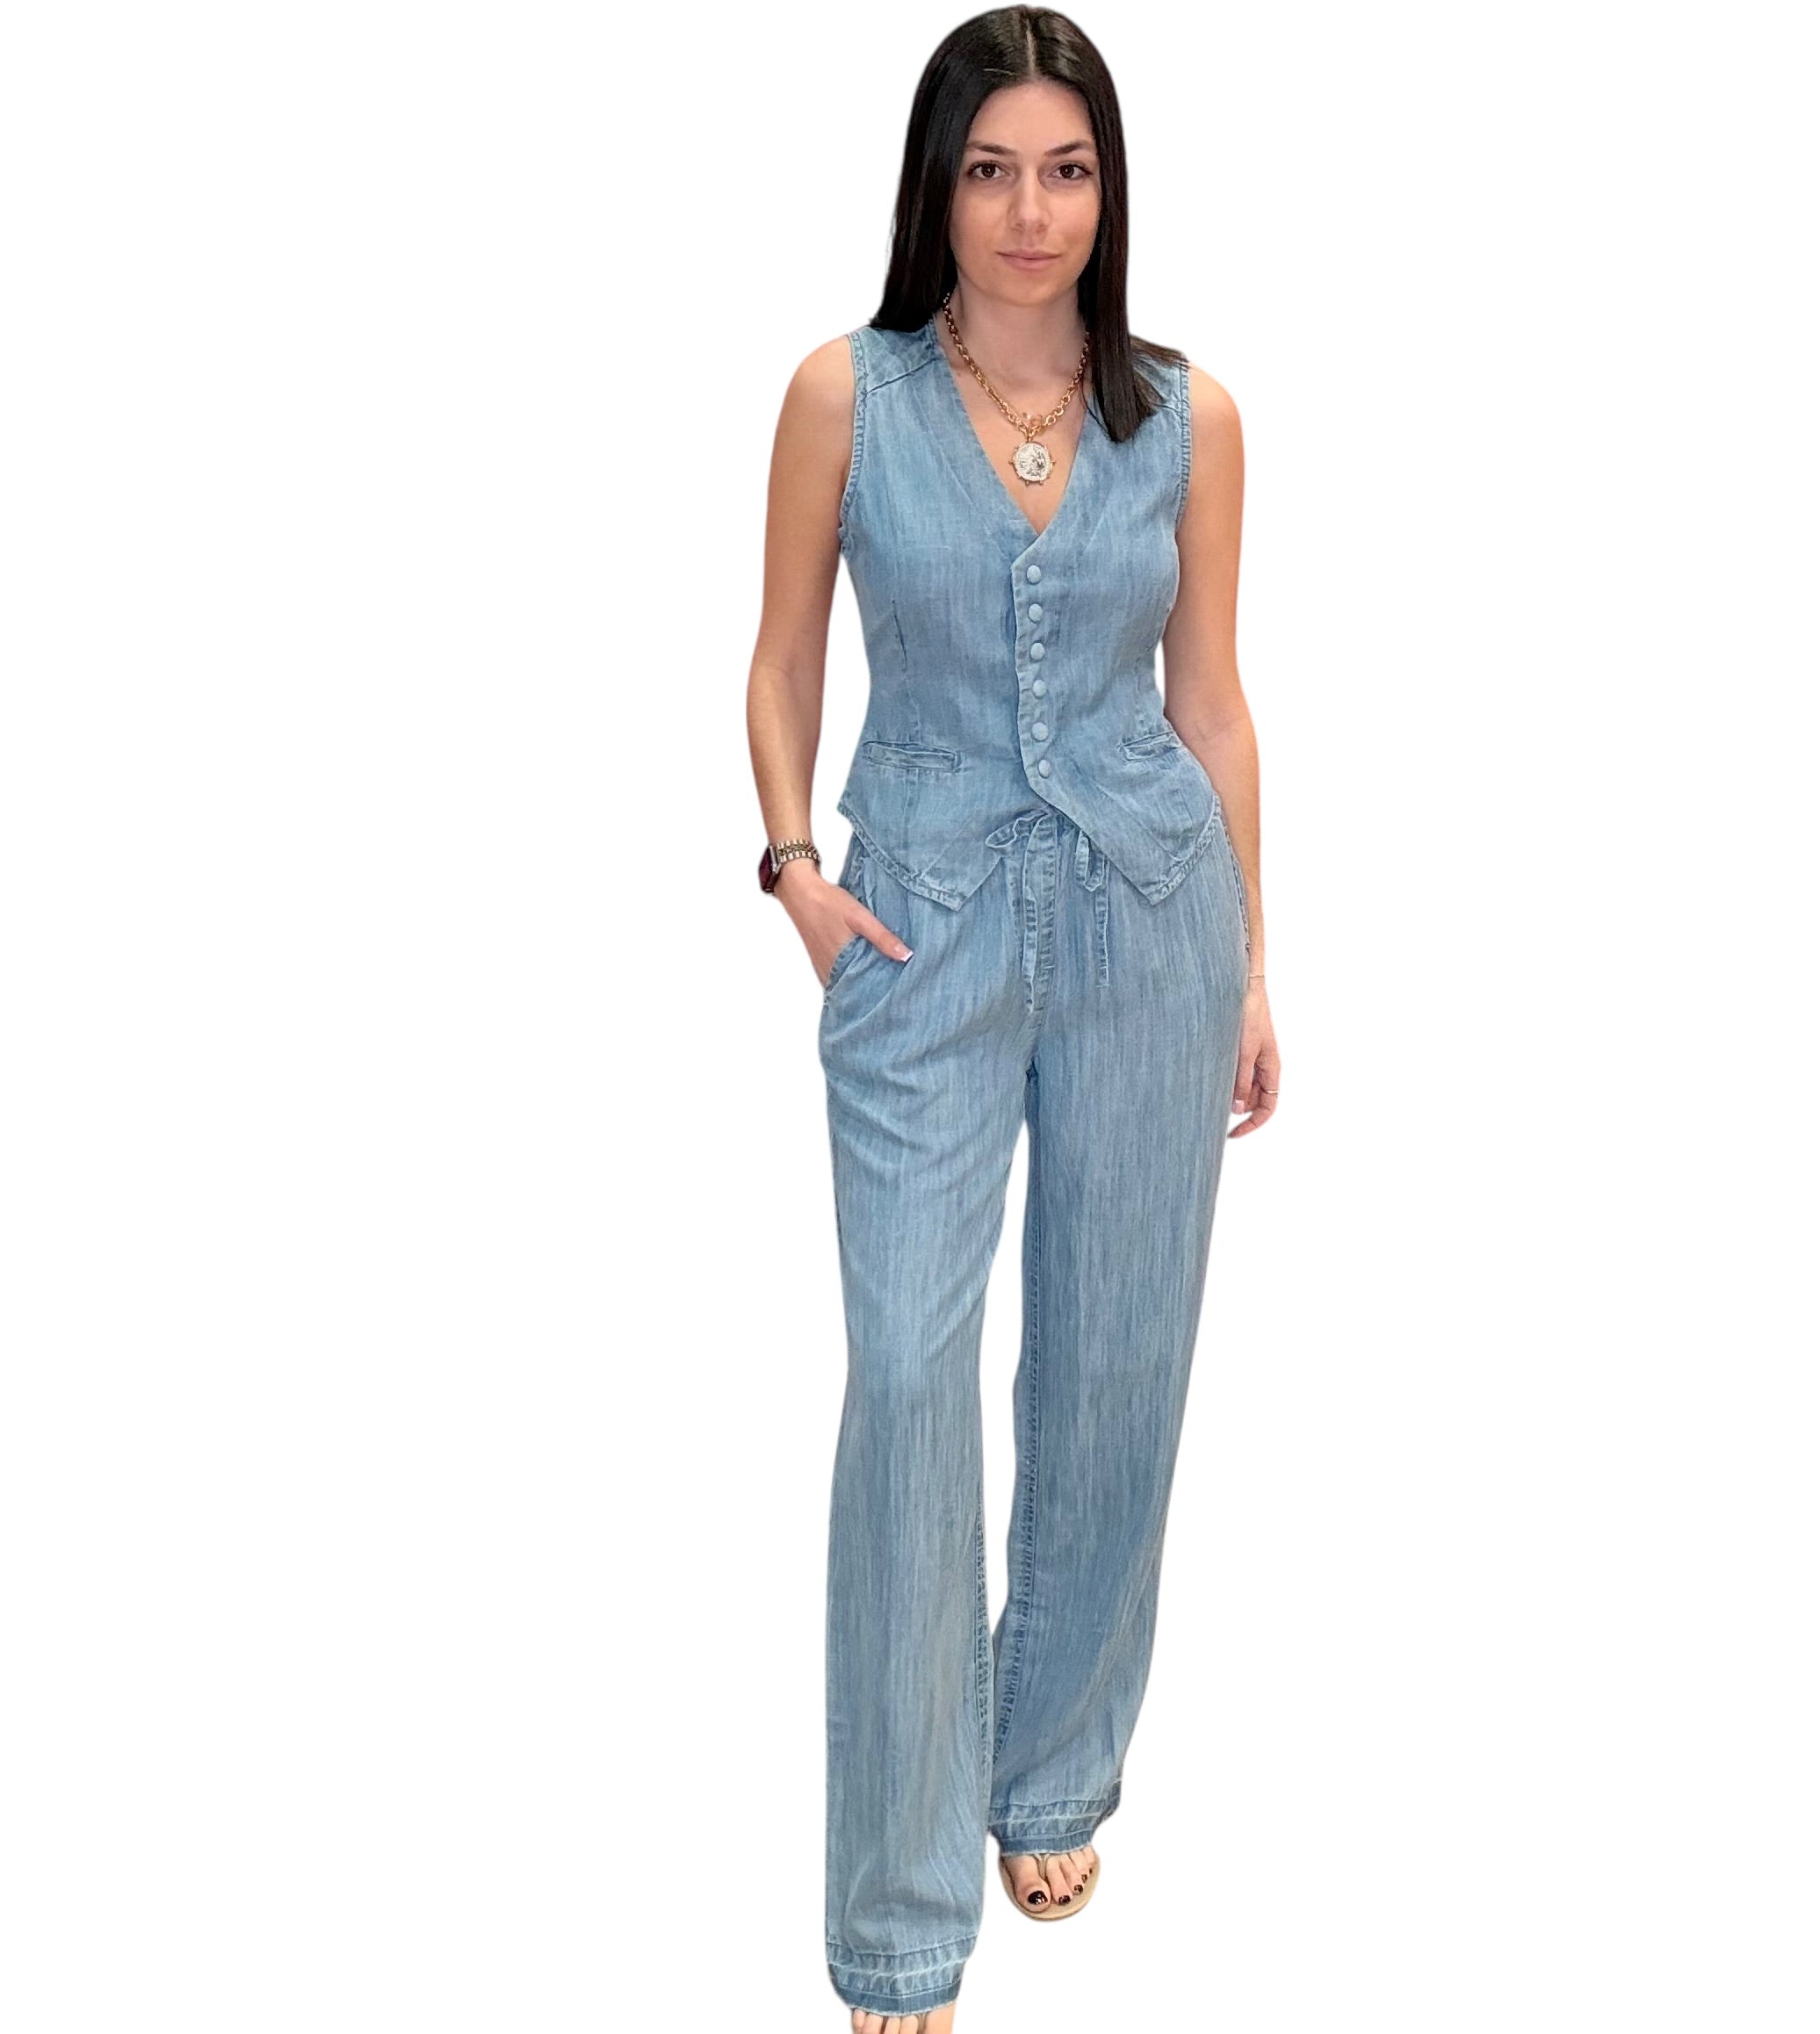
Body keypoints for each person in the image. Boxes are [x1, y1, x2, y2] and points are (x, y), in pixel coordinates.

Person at [746, 11, 1280, 2028]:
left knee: (1116, 1361)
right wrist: (794, 868)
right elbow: (779, 655)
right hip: (920, 930)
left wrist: (1250, 965)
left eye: (1066, 169)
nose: (1030, 211)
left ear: (1107, 191)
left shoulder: (1191, 417)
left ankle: (1050, 1767)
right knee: (907, 1376)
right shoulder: (847, 393)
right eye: (991, 170)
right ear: (938, 187)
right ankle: (897, 1916)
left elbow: (1211, 700)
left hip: (1151, 918)